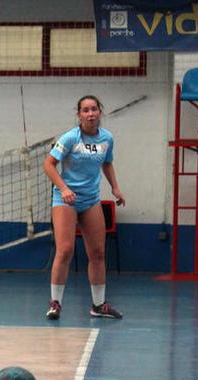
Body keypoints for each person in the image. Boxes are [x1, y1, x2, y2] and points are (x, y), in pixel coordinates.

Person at [43, 95, 125, 320]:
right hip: (65, 200)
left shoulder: (107, 138)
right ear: (79, 115)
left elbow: (107, 163)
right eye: (85, 110)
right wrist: (64, 188)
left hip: (90, 200)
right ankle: (55, 303)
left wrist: (115, 188)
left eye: (94, 109)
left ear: (100, 112)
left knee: (98, 253)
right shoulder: (70, 138)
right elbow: (48, 165)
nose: (90, 114)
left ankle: (98, 305)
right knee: (66, 249)